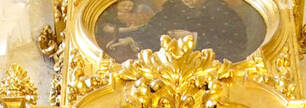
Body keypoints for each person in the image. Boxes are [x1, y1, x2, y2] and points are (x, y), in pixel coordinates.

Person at [106, 0, 250, 62]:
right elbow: (152, 29)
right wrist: (131, 39)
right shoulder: (173, 8)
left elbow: (235, 42)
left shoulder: (220, 10)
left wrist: (193, 38)